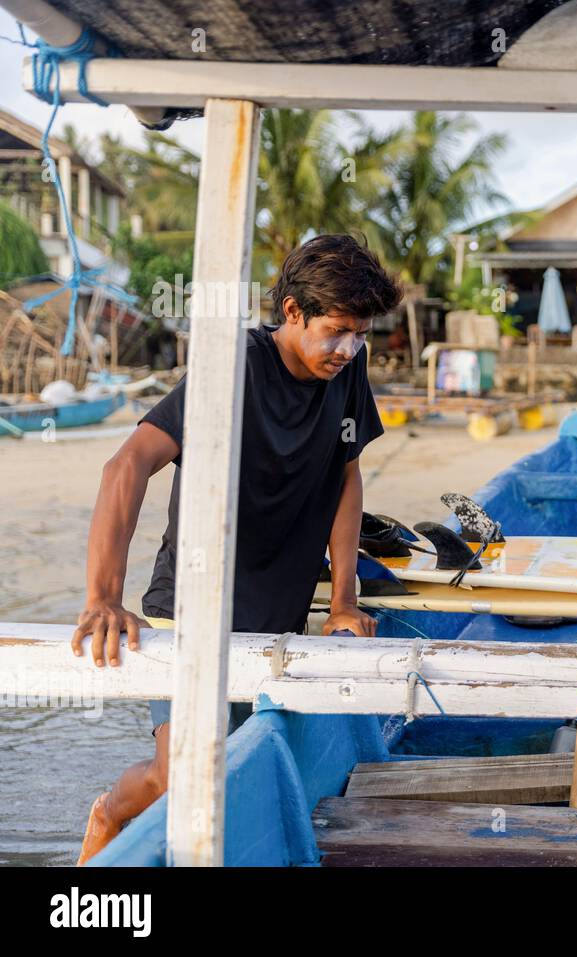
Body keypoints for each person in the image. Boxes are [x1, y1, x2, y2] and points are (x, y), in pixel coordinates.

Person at [70, 234, 401, 864]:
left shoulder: (347, 370)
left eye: (360, 334)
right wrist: (102, 598)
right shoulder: (233, 368)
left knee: (242, 775)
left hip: (276, 620)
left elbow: (346, 471)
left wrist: (342, 603)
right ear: (294, 312)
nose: (349, 348)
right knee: (180, 775)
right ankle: (109, 812)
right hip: (189, 613)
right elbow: (127, 465)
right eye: (336, 330)